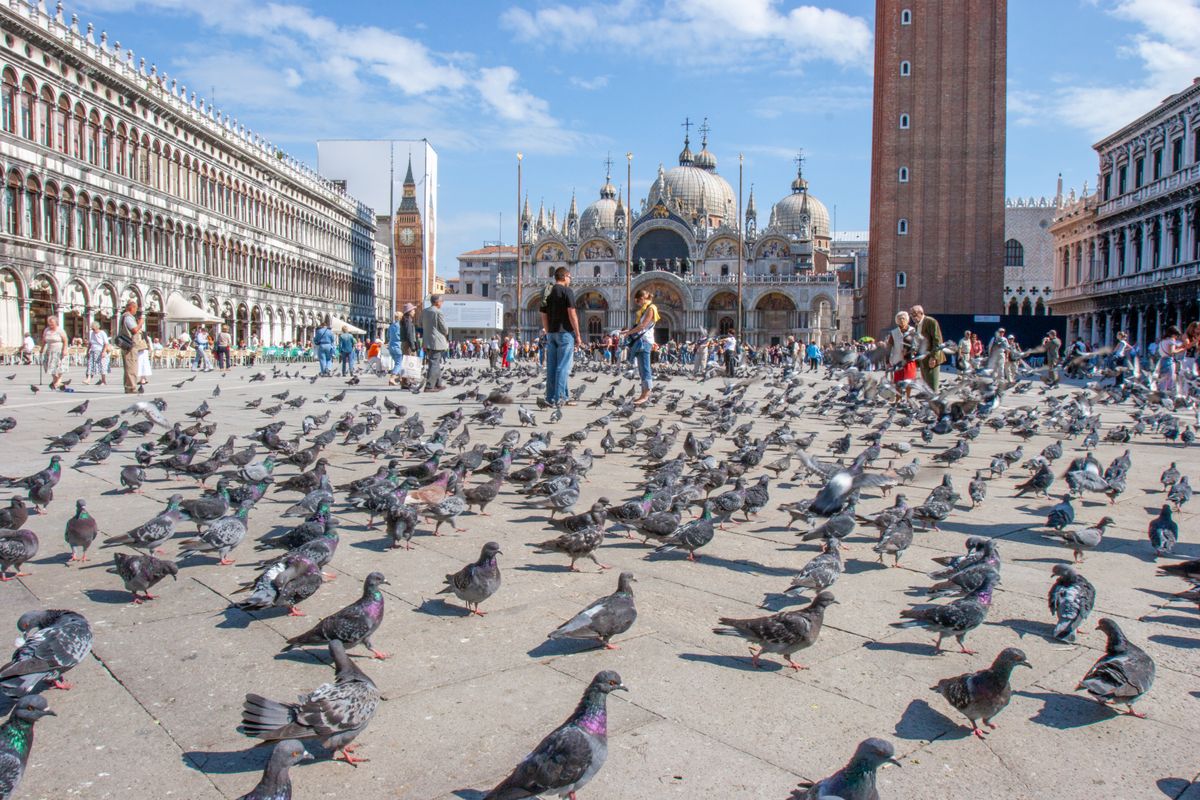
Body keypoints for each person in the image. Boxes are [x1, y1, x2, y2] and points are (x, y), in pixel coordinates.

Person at [539, 266, 582, 406]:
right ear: (564, 276)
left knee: (552, 367)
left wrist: (548, 331)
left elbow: (543, 315)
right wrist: (578, 334)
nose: (570, 280)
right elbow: (572, 313)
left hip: (551, 333)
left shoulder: (546, 292)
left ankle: (552, 397)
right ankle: (560, 398)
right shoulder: (567, 291)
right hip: (565, 333)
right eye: (570, 277)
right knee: (563, 367)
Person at [619, 288, 659, 405]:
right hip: (642, 341)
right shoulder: (645, 309)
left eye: (637, 301)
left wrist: (629, 333)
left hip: (645, 342)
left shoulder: (651, 308)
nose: (637, 304)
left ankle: (646, 394)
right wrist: (628, 331)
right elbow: (641, 326)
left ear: (642, 299)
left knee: (645, 367)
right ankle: (643, 393)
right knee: (641, 368)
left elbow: (642, 326)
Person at [909, 304, 944, 391]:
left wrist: (933, 357)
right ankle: (928, 403)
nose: (912, 317)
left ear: (921, 313)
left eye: (914, 314)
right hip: (923, 359)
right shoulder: (917, 325)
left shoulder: (931, 322)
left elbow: (938, 341)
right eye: (911, 315)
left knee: (932, 386)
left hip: (931, 358)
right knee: (925, 386)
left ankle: (933, 404)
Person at [420, 294, 449, 392]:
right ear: (437, 302)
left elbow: (420, 324)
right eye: (441, 302)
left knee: (435, 362)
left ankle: (438, 384)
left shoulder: (424, 311)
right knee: (434, 363)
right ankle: (429, 386)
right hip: (437, 342)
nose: (442, 303)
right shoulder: (438, 312)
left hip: (427, 341)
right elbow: (444, 329)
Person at [887, 311, 918, 403]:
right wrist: (887, 361)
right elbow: (889, 347)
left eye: (903, 318)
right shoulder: (894, 332)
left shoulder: (913, 330)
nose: (901, 320)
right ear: (897, 321)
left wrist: (912, 352)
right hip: (898, 360)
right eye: (899, 319)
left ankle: (908, 398)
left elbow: (917, 345)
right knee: (898, 380)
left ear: (907, 320)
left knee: (909, 380)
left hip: (909, 360)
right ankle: (898, 398)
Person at [117, 300, 141, 393]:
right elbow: (134, 330)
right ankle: (131, 387)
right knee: (132, 367)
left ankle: (128, 387)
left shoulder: (125, 317)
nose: (136, 311)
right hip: (130, 346)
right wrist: (140, 323)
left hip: (127, 345)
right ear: (131, 308)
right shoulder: (128, 317)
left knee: (129, 367)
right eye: (135, 308)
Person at [40, 315, 67, 390]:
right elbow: (44, 340)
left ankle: (57, 381)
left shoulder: (60, 330)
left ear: (56, 323)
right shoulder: (46, 330)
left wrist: (64, 350)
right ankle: (56, 380)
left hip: (58, 349)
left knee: (59, 366)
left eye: (52, 323)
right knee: (49, 366)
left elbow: (65, 340)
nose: (50, 324)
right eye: (49, 323)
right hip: (49, 350)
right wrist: (42, 349)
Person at [85, 321, 109, 385]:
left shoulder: (102, 333)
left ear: (97, 327)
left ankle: (103, 380)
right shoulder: (91, 333)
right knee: (90, 365)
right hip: (93, 350)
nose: (93, 330)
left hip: (100, 351)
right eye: (92, 329)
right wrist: (87, 351)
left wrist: (104, 352)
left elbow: (106, 343)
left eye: (94, 329)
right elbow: (90, 343)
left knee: (102, 366)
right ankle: (88, 379)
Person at [136, 312, 153, 387]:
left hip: (141, 349)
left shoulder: (141, 332)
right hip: (143, 349)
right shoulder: (143, 332)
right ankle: (143, 378)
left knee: (141, 363)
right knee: (142, 363)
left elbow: (146, 340)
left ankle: (142, 378)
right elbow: (147, 341)